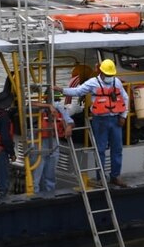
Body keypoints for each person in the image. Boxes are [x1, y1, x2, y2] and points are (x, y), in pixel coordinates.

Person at [55, 59, 129, 187]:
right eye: (108, 74)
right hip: (100, 121)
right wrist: (62, 90)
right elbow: (78, 91)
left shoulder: (116, 82)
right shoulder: (92, 83)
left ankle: (115, 176)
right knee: (100, 149)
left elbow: (125, 97)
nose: (110, 77)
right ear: (101, 71)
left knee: (117, 149)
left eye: (111, 75)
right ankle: (101, 178)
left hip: (115, 120)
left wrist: (123, 115)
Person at [34, 95, 74, 194]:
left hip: (54, 141)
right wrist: (48, 106)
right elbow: (30, 104)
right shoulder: (40, 108)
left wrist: (69, 127)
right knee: (37, 171)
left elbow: (69, 121)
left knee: (50, 172)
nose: (56, 102)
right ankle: (35, 193)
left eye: (57, 100)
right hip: (40, 141)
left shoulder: (61, 110)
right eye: (54, 100)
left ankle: (50, 193)